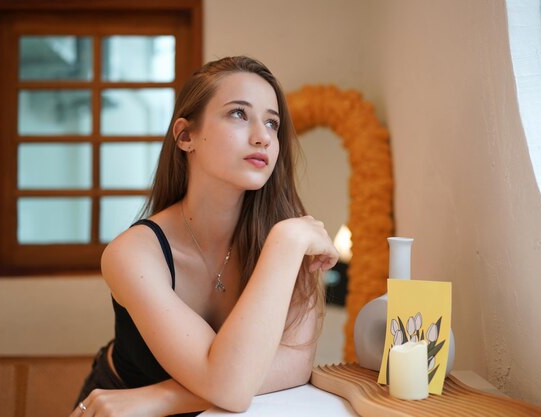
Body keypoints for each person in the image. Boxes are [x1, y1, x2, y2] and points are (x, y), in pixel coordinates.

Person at [70, 56, 339, 417]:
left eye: (272, 123)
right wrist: (286, 243)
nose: (263, 136)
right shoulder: (132, 253)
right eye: (239, 114)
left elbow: (294, 366)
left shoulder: (285, 240)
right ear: (186, 136)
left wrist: (161, 398)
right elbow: (232, 387)